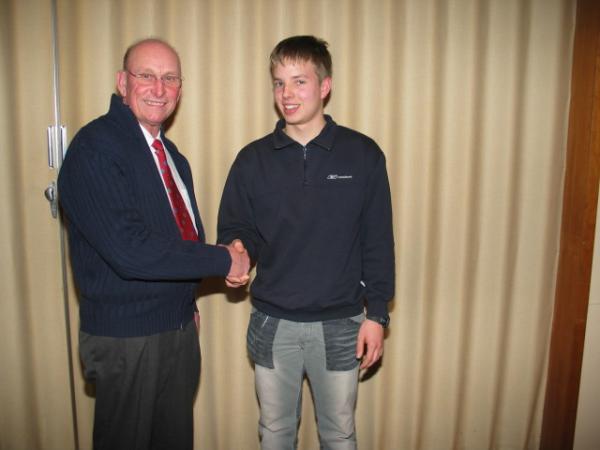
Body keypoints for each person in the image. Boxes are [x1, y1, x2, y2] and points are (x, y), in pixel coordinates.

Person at [58, 38, 249, 450]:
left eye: (170, 78)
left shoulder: (172, 156)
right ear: (122, 83)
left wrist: (187, 305)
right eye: (146, 75)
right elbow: (131, 251)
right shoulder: (95, 147)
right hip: (128, 339)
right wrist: (223, 260)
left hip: (176, 331)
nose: (159, 89)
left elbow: (178, 242)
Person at [217, 35, 395, 449]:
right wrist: (237, 253)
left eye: (299, 81)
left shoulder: (363, 154)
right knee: (275, 432)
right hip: (272, 321)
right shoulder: (252, 160)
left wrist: (377, 315)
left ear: (324, 86)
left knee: (339, 434)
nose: (287, 94)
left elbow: (378, 241)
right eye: (279, 83)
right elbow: (238, 230)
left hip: (342, 323)